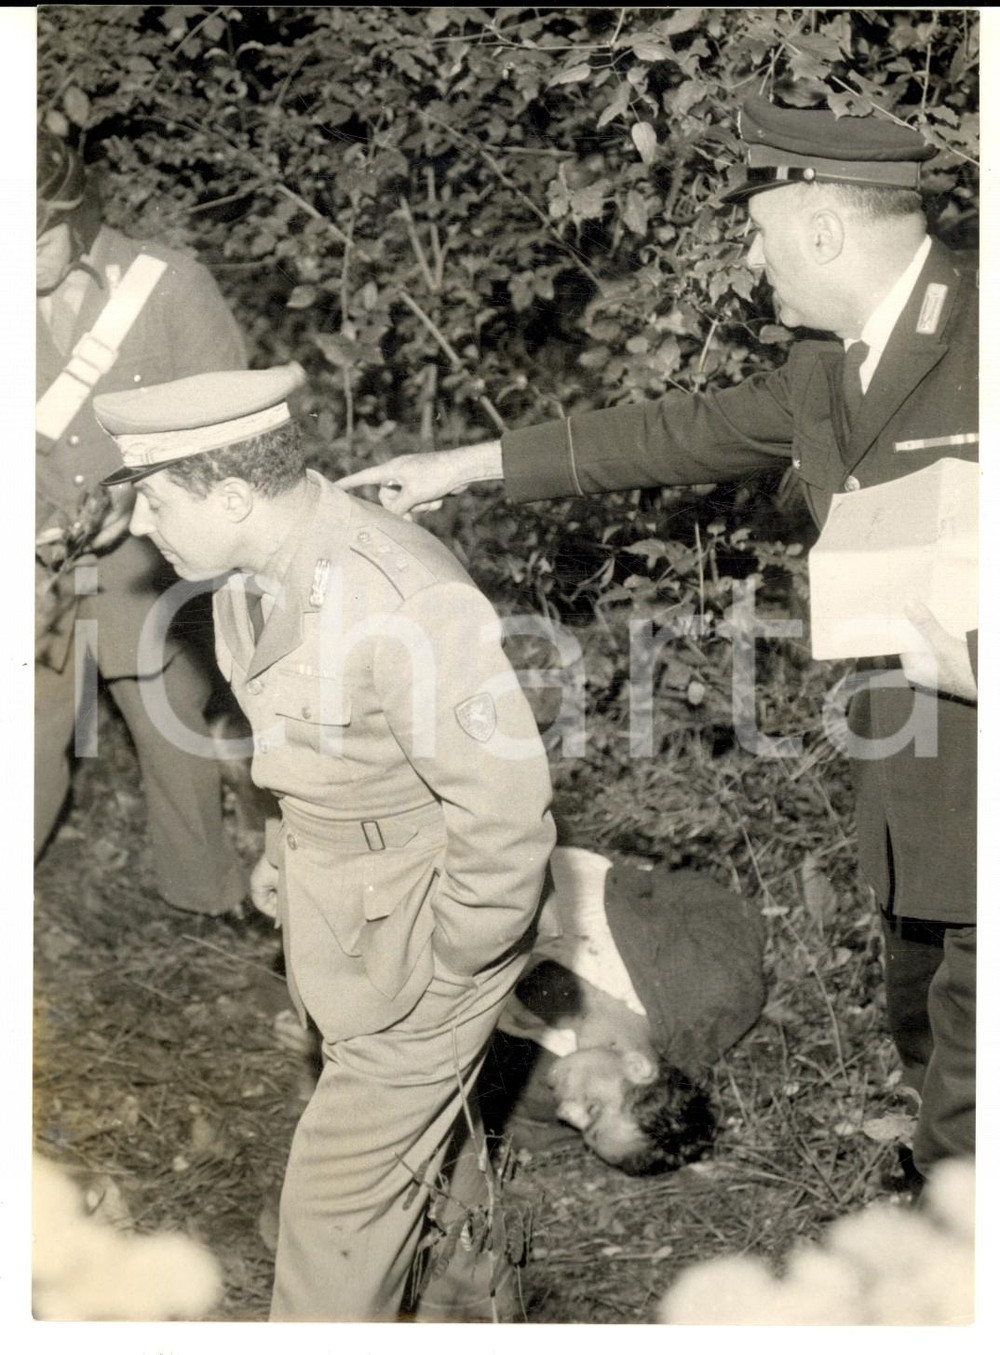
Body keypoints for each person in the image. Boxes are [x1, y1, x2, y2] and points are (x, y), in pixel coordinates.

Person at [338, 96, 977, 1183]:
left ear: (823, 228)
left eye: (760, 233)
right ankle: (946, 1173)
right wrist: (461, 467)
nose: (751, 256)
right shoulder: (831, 365)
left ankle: (956, 1240)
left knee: (972, 1032)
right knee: (926, 1009)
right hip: (913, 778)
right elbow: (676, 432)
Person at [93, 363, 556, 1321]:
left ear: (227, 494)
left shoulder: (399, 594)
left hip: (421, 933)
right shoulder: (247, 575)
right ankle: (472, 1287)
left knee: (327, 1226)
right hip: (339, 909)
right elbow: (294, 736)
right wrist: (278, 845)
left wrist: (456, 960)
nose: (140, 525)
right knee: (411, 1146)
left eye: (152, 500)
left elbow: (506, 810)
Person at [35, 128, 247, 916]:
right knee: (28, 725)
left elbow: (235, 422)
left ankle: (205, 898)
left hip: (149, 553)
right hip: (38, 555)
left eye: (38, 237)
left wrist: (151, 485)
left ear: (77, 213)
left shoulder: (167, 285)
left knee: (168, 728)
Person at [490, 844, 764, 1174]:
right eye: (592, 1109)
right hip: (526, 849)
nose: (566, 1113)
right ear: (638, 1067)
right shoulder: (710, 985)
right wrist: (638, 880)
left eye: (582, 1130)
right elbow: (723, 909)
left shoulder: (531, 1087)